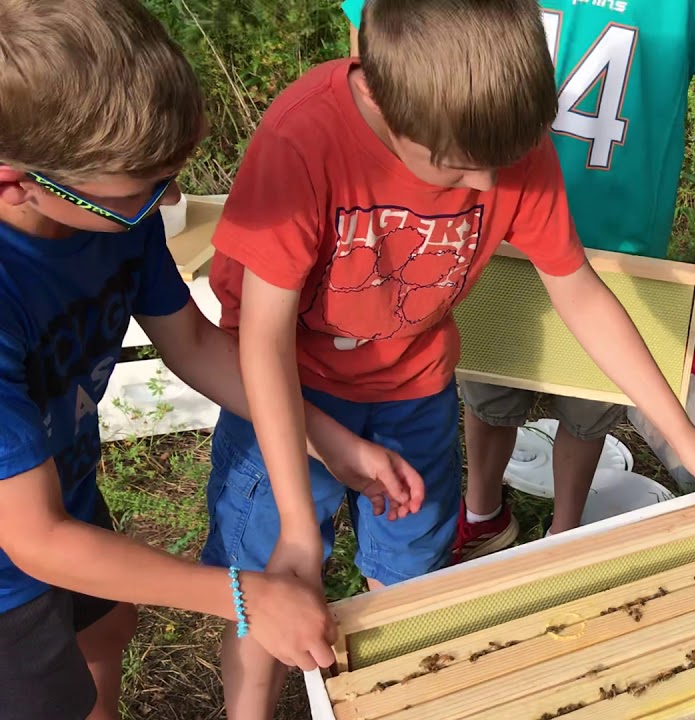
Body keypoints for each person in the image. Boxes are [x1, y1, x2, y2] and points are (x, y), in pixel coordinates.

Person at [200, 1, 695, 716]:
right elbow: (262, 343)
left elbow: (578, 292)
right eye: (460, 167)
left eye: (502, 165)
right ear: (377, 96)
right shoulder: (301, 137)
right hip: (283, 395)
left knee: (413, 584)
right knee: (264, 583)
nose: (489, 188)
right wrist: (302, 528)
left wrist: (684, 434)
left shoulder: (506, 142)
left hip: (414, 393)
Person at [0, 1, 428, 718]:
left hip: (58, 488)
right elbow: (36, 540)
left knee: (109, 625)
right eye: (143, 191)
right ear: (15, 181)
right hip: (14, 566)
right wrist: (247, 596)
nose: (168, 200)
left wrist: (325, 437)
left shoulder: (111, 212)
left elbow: (194, 344)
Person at [344, 0, 695, 552]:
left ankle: (564, 532)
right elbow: (376, 27)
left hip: (613, 243)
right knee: (488, 383)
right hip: (489, 220)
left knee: (590, 401)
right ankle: (482, 511)